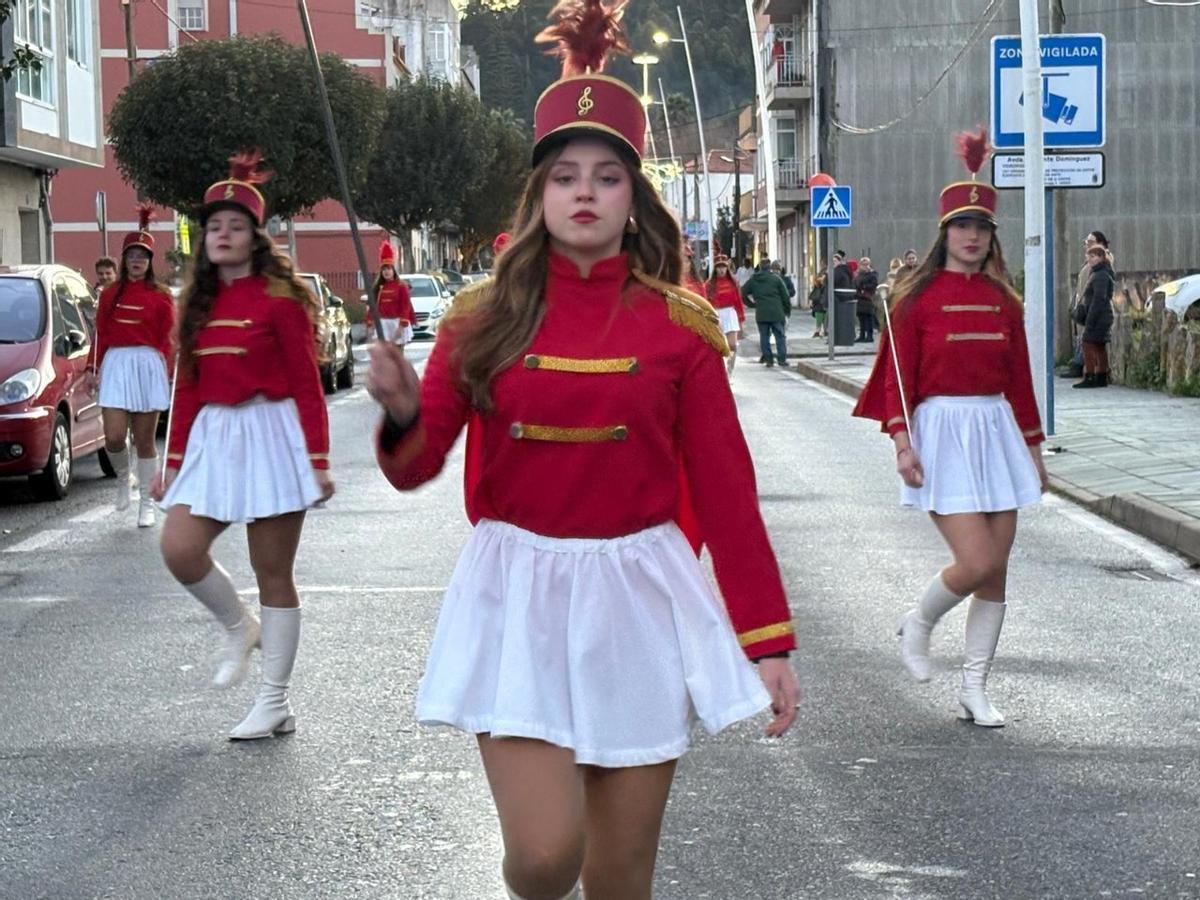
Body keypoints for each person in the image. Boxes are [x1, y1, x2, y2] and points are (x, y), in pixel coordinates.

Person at [367, 5, 799, 896]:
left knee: (620, 875)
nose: (586, 192)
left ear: (633, 196)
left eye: (607, 176)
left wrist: (769, 641)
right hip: (516, 593)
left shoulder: (680, 329)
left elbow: (727, 494)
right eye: (566, 175)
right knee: (542, 860)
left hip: (637, 598)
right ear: (541, 195)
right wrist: (405, 409)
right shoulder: (479, 319)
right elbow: (415, 467)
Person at [852, 128, 1048, 728]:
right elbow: (898, 381)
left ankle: (974, 686)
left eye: (981, 227)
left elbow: (1019, 381)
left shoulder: (1004, 300)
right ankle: (921, 621)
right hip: (942, 431)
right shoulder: (915, 299)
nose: (971, 236)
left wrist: (1034, 449)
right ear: (945, 234)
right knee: (977, 561)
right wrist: (902, 442)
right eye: (962, 226)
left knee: (999, 568)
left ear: (992, 236)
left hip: (996, 431)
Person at [152, 150, 335, 740]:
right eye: (214, 227)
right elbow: (188, 390)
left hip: (273, 432)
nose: (223, 235)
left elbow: (308, 384)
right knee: (180, 548)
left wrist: (317, 458)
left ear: (256, 239)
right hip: (214, 435)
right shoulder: (197, 306)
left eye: (235, 226)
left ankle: (274, 700)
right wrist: (172, 462)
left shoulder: (282, 300)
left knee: (272, 569)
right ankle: (238, 626)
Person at [93, 205, 175, 528]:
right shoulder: (110, 293)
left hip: (148, 364)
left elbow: (169, 338)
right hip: (116, 363)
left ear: (150, 261)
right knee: (113, 436)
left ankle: (147, 504)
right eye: (132, 255)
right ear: (124, 259)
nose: (137, 260)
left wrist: (168, 371)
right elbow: (100, 335)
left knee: (144, 440)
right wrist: (93, 370)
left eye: (143, 255)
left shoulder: (162, 295)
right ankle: (123, 477)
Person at [1073, 244, 1115, 388]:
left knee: (1088, 343)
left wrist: (1090, 319)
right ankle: (1101, 376)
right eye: (1088, 256)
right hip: (1103, 315)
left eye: (1092, 256)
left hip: (1099, 316)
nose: (1089, 259)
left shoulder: (1101, 275)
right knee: (1098, 345)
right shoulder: (1100, 273)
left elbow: (1098, 299)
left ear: (1101, 257)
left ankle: (1090, 375)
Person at [742, 259, 792, 368]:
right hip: (777, 313)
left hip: (761, 313)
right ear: (769, 267)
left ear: (760, 267)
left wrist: (751, 304)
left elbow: (743, 292)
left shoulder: (754, 280)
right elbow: (785, 297)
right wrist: (787, 311)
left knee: (764, 337)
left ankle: (769, 360)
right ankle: (782, 359)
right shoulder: (776, 279)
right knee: (780, 336)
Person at [707, 253, 746, 376]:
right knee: (716, 346)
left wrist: (741, 321)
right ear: (715, 268)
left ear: (727, 267)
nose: (721, 269)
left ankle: (729, 369)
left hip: (730, 314)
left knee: (732, 345)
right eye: (719, 267)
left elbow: (738, 302)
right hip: (716, 314)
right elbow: (705, 301)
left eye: (723, 267)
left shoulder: (733, 283)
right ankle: (719, 370)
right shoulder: (709, 285)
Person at [373, 240, 415, 345]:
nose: (386, 272)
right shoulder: (378, 287)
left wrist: (400, 327)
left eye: (389, 269)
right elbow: (374, 306)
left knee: (397, 357)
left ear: (393, 270)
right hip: (383, 325)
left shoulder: (401, 286)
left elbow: (406, 307)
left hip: (397, 324)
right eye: (384, 269)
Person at [854, 256, 879, 343]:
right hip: (859, 298)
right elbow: (855, 283)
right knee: (861, 318)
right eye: (863, 264)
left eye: (867, 264)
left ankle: (869, 336)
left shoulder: (873, 274)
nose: (865, 266)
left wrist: (864, 287)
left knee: (869, 318)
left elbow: (874, 284)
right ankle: (862, 335)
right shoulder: (858, 274)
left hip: (868, 298)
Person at [809, 271, 828, 338]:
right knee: (819, 319)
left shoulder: (826, 286)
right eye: (820, 276)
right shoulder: (817, 286)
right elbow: (813, 295)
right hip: (818, 306)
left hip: (823, 305)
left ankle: (823, 331)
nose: (821, 278)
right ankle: (818, 331)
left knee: (825, 320)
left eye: (823, 276)